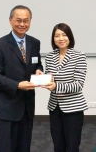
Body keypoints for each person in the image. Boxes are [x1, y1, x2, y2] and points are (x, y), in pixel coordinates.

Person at [0, 5, 43, 152]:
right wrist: (17, 85)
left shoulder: (35, 43)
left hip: (27, 107)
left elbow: (37, 63)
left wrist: (39, 70)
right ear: (10, 20)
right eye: (18, 20)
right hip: (7, 107)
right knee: (7, 148)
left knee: (24, 147)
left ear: (30, 21)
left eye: (26, 20)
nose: (22, 24)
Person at [42, 23, 88, 152]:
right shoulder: (50, 56)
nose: (61, 38)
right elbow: (50, 77)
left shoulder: (79, 56)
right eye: (57, 36)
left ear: (70, 37)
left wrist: (56, 86)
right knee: (58, 145)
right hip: (54, 107)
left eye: (64, 35)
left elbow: (78, 85)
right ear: (53, 39)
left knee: (72, 146)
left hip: (73, 108)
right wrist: (44, 79)